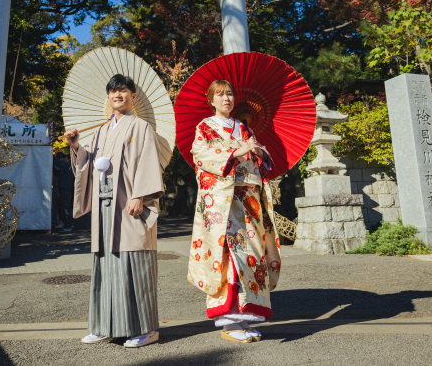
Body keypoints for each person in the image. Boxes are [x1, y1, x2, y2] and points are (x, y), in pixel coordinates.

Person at [64, 74, 163, 348]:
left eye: (123, 90)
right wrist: (75, 147)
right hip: (104, 205)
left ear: (133, 96)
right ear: (108, 98)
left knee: (134, 263)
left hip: (129, 205)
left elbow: (147, 163)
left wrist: (140, 195)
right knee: (105, 264)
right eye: (113, 91)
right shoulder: (100, 131)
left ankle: (147, 328)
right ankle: (104, 326)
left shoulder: (141, 127)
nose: (117, 94)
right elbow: (90, 164)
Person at [187, 79, 282, 343]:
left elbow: (261, 164)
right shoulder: (204, 127)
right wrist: (235, 152)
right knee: (229, 256)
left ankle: (246, 317)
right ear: (211, 100)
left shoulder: (244, 127)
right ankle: (229, 322)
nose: (226, 98)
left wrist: (257, 152)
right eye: (220, 94)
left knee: (252, 256)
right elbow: (200, 156)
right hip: (223, 203)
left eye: (229, 93)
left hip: (249, 201)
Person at [54, 151, 74, 231]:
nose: (64, 160)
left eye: (65, 158)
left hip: (65, 190)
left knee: (64, 208)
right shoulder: (69, 167)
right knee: (63, 207)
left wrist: (50, 154)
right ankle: (67, 224)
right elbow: (57, 172)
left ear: (69, 159)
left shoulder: (68, 166)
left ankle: (67, 225)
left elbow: (58, 162)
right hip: (67, 189)